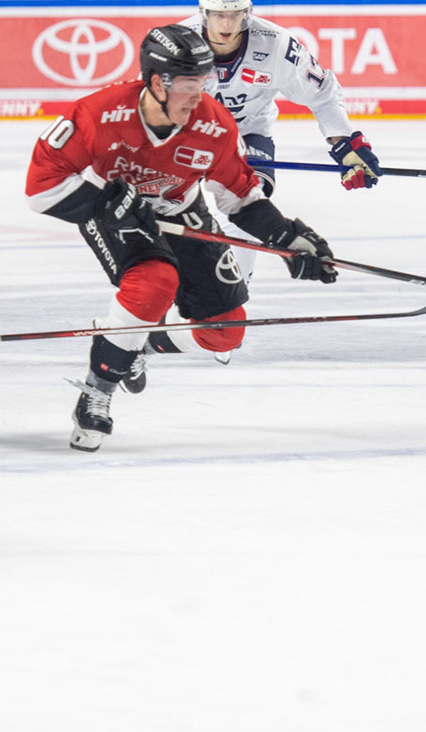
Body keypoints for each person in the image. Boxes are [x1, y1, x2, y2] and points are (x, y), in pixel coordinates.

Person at [25, 25, 338, 450]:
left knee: (225, 331)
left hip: (180, 208)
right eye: (190, 86)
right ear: (157, 83)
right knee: (155, 283)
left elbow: (240, 198)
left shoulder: (214, 125)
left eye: (204, 83)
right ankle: (97, 391)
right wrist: (104, 206)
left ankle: (134, 344)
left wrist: (286, 238)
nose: (200, 97)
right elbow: (42, 187)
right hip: (113, 213)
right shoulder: (98, 114)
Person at [180, 0, 381, 194]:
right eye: (219, 14)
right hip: (187, 134)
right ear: (204, 12)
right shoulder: (175, 44)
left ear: (246, 12)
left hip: (248, 133)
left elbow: (323, 95)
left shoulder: (277, 45)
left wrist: (344, 144)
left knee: (250, 200)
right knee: (163, 203)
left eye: (234, 13)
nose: (227, 24)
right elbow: (145, 102)